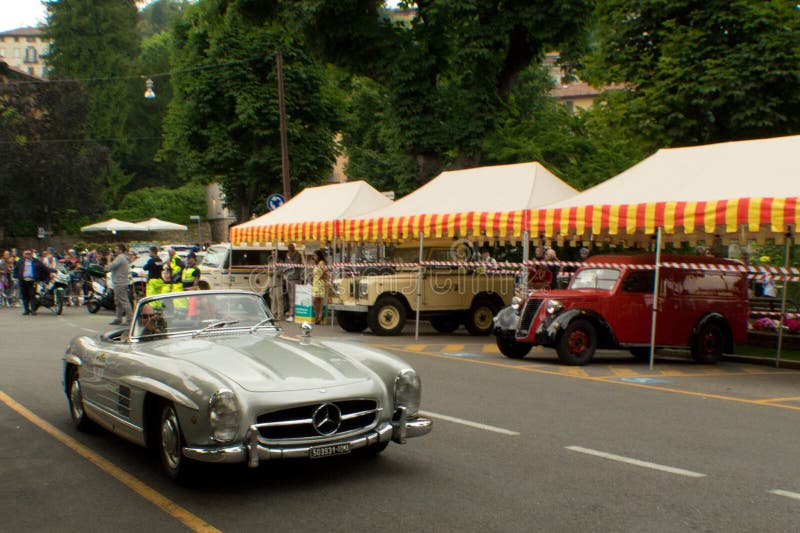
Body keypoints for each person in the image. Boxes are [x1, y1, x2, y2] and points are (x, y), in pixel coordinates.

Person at [12, 249, 49, 315]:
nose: (27, 255)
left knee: (32, 295)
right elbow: (15, 270)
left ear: (31, 254)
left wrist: (43, 277)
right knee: (24, 296)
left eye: (29, 253)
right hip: (23, 280)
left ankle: (33, 310)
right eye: (26, 254)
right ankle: (26, 310)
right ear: (23, 254)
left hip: (32, 281)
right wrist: (17, 277)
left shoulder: (36, 261)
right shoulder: (20, 261)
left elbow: (44, 268)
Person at [105, 243, 132, 325]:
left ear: (120, 250)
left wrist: (108, 260)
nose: (115, 250)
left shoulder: (120, 258)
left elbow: (109, 267)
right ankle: (118, 318)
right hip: (121, 281)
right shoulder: (124, 258)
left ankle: (129, 319)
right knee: (118, 302)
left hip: (120, 282)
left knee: (124, 301)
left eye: (116, 249)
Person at [284, 243, 303, 321]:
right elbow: (286, 264)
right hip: (288, 277)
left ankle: (292, 314)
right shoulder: (289, 255)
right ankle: (291, 312)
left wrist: (289, 258)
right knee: (289, 296)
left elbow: (294, 265)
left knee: (293, 296)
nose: (289, 249)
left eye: (290, 248)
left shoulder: (297, 255)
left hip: (294, 277)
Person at [311, 249, 328, 325]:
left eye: (315, 255)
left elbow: (326, 271)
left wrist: (322, 277)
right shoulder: (317, 263)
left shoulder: (321, 263)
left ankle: (319, 316)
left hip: (320, 283)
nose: (314, 257)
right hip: (315, 283)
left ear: (318, 256)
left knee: (317, 300)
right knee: (316, 301)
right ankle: (318, 315)